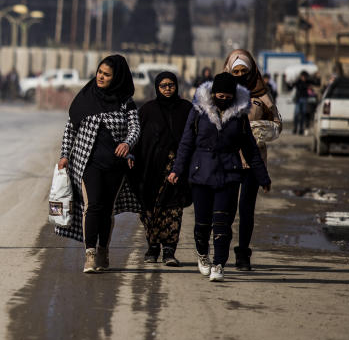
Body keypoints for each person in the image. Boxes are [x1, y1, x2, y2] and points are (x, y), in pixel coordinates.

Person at [168, 73, 271, 282]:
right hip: (201, 172)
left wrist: (263, 177)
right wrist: (176, 170)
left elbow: (250, 148)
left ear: (233, 96)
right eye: (219, 95)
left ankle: (219, 264)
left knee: (223, 223)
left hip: (229, 173)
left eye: (227, 96)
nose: (223, 99)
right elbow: (187, 143)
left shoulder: (240, 116)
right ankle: (202, 254)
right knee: (203, 223)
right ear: (213, 93)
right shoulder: (198, 111)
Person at [56, 55, 141, 273]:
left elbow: (135, 128)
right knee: (92, 206)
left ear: (117, 78)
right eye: (99, 72)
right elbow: (70, 129)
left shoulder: (125, 102)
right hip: (87, 163)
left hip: (115, 165)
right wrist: (64, 155)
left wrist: (127, 143)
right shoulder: (86, 97)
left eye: (106, 74)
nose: (100, 77)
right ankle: (90, 254)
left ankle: (104, 249)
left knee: (107, 210)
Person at [223, 49, 282, 270]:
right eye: (235, 71)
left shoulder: (263, 96)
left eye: (243, 71)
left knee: (246, 208)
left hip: (253, 159)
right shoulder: (222, 92)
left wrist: (260, 130)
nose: (239, 75)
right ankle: (221, 251)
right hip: (228, 159)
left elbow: (277, 123)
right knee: (226, 208)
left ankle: (243, 254)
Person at [129, 71, 193, 266]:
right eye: (163, 85)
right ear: (157, 87)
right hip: (149, 169)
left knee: (173, 209)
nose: (167, 89)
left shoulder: (186, 109)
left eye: (171, 85)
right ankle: (153, 246)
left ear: (176, 86)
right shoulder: (147, 110)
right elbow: (136, 137)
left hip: (177, 168)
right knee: (149, 209)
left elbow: (193, 137)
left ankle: (169, 250)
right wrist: (131, 155)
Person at [292, 70, 313, 135]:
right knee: (297, 114)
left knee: (303, 114)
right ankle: (295, 128)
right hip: (298, 99)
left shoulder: (308, 82)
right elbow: (291, 86)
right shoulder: (298, 82)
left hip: (304, 99)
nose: (304, 78)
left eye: (305, 77)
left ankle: (301, 129)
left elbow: (315, 84)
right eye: (303, 77)